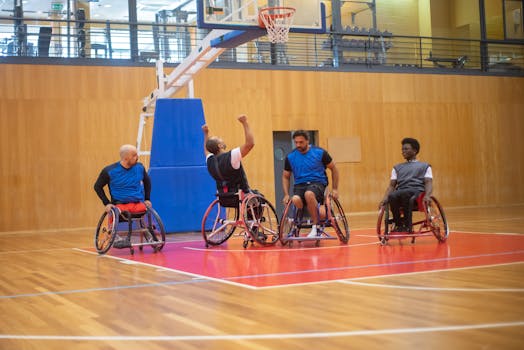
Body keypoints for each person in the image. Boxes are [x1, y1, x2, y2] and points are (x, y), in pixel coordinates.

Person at [282, 130, 339, 238]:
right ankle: (297, 221)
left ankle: (315, 226)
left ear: (307, 141)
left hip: (317, 183)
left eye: (301, 142)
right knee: (295, 199)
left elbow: (334, 169)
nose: (298, 145)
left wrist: (335, 189)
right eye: (296, 142)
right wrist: (286, 194)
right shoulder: (290, 157)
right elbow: (285, 176)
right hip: (300, 185)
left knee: (309, 194)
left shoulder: (320, 153)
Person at [93, 144, 153, 248]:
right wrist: (107, 203)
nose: (137, 157)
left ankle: (146, 230)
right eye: (134, 155)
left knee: (147, 209)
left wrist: (147, 198)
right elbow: (97, 187)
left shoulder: (139, 167)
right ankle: (113, 233)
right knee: (114, 211)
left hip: (137, 203)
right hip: (120, 205)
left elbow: (147, 182)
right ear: (126, 158)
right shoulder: (109, 171)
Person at [379, 137, 433, 233]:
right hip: (402, 192)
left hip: (417, 192)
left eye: (406, 149)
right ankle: (399, 224)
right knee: (392, 195)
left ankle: (408, 225)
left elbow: (428, 182)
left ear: (415, 151)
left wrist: (428, 195)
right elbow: (391, 186)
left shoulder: (425, 166)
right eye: (402, 149)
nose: (403, 151)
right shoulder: (397, 167)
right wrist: (384, 198)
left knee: (405, 194)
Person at [202, 114, 254, 196]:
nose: (221, 139)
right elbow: (250, 144)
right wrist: (245, 123)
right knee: (260, 198)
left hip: (224, 197)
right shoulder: (231, 156)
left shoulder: (210, 161)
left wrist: (206, 134)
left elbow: (206, 150)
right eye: (219, 139)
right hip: (241, 194)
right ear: (220, 146)